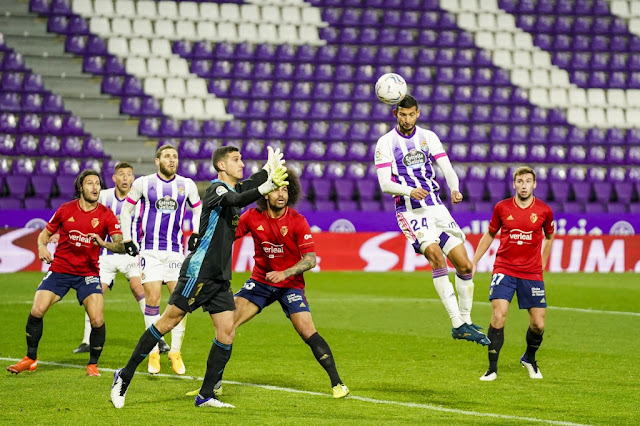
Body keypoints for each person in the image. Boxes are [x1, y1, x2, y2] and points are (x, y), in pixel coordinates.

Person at [111, 145, 289, 409]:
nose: (241, 164)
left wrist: (266, 169)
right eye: (236, 160)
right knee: (167, 322)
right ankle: (123, 376)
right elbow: (237, 200)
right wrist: (265, 187)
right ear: (221, 166)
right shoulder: (217, 189)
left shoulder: (233, 188)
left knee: (227, 333)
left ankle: (206, 395)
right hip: (199, 272)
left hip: (219, 277)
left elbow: (248, 186)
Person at [187, 170, 349, 399]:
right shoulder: (252, 217)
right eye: (275, 189)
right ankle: (212, 385)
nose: (281, 194)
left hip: (290, 284)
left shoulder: (297, 221)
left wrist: (285, 273)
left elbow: (310, 259)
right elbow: (226, 235)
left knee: (307, 330)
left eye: (285, 189)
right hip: (260, 282)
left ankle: (338, 384)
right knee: (226, 326)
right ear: (265, 193)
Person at [374, 94, 489, 345]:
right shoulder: (385, 143)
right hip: (410, 211)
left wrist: (455, 188)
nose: (407, 119)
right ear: (395, 114)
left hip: (436, 208)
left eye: (411, 114)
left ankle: (466, 321)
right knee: (436, 257)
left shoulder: (429, 137)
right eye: (402, 114)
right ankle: (456, 322)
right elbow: (384, 184)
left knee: (466, 266)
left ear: (418, 113)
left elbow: (446, 168)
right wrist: (408, 191)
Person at [6, 170, 124, 377]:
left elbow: (120, 245)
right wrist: (42, 247)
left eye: (98, 183)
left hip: (88, 273)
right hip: (61, 269)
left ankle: (92, 364)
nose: (95, 187)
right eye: (90, 183)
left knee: (96, 319)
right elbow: (44, 234)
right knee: (37, 309)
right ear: (80, 187)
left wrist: (103, 243)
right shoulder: (65, 209)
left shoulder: (106, 214)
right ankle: (30, 358)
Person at [118, 145, 202, 375]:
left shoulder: (186, 185)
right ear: (157, 161)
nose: (172, 160)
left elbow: (197, 208)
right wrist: (127, 239)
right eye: (167, 156)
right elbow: (125, 211)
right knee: (153, 299)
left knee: (181, 302)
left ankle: (175, 351)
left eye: (175, 156)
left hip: (175, 252)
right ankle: (153, 352)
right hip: (150, 252)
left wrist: (195, 233)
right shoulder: (144, 183)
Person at [72, 162, 170, 354]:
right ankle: (86, 341)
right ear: (114, 178)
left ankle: (158, 339)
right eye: (121, 174)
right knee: (94, 293)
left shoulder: (140, 199)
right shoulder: (105, 196)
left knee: (139, 289)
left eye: (129, 174)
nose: (125, 178)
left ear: (133, 179)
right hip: (106, 255)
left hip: (131, 255)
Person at [472, 166, 554, 381]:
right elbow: (490, 234)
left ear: (534, 184)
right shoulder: (502, 207)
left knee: (539, 324)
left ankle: (529, 358)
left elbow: (549, 236)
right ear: (514, 184)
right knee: (498, 315)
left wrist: (543, 262)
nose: (524, 185)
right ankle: (492, 368)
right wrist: (474, 261)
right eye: (520, 181)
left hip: (532, 272)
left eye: (528, 181)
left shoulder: (544, 211)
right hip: (504, 268)